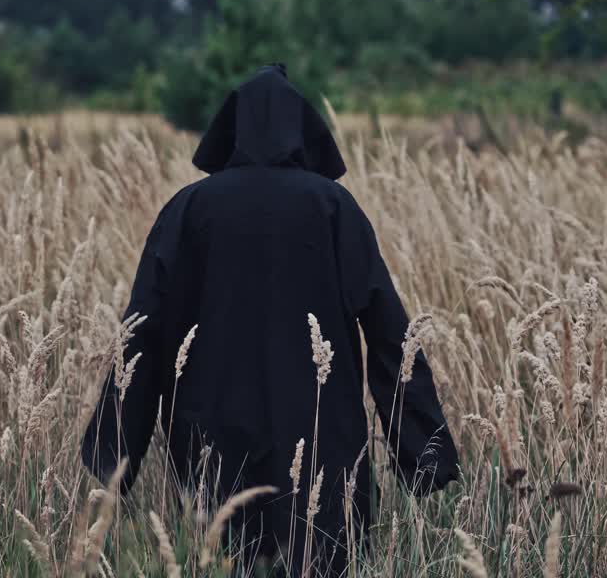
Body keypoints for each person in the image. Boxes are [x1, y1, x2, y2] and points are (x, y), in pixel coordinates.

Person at [82, 64, 459, 575]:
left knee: (223, 555)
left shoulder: (189, 209)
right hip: (320, 430)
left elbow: (141, 333)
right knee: (319, 554)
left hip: (212, 430)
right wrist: (423, 452)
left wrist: (114, 454)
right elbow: (391, 332)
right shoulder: (332, 207)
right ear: (301, 131)